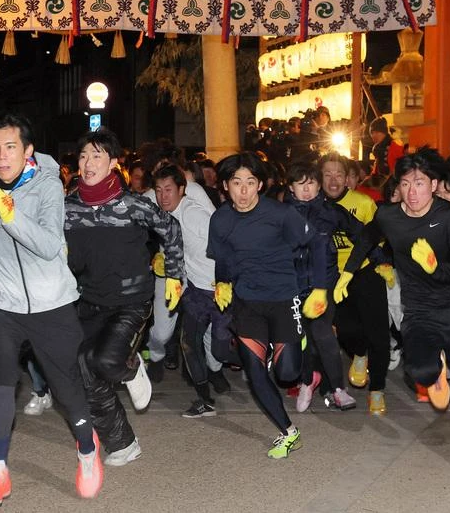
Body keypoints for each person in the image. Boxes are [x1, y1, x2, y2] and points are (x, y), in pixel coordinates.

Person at [0, 114, 103, 503]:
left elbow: (48, 245)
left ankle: (87, 447)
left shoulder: (48, 186)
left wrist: (12, 217)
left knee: (66, 388)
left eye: (10, 147)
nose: (1, 155)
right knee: (2, 374)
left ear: (28, 150)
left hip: (52, 303)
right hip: (1, 302)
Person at [338, 147, 450, 479]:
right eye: (406, 184)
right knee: (419, 372)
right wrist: (348, 273)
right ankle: (436, 370)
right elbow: (365, 239)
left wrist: (436, 267)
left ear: (434, 184)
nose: (412, 192)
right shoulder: (389, 216)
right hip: (419, 310)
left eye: (420, 183)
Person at [65, 128, 184, 467]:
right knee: (82, 366)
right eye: (84, 156)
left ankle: (130, 368)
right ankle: (123, 443)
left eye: (97, 156)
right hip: (88, 299)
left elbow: (171, 230)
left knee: (105, 361)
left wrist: (175, 275)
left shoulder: (132, 204)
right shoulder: (68, 207)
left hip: (131, 299)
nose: (89, 163)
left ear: (113, 162)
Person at [208, 151, 311, 458]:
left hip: (284, 297)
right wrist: (223, 283)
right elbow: (222, 260)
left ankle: (294, 344)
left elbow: (312, 246)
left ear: (260, 185)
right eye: (236, 182)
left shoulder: (280, 214)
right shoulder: (221, 219)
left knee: (288, 373)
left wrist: (316, 289)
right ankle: (289, 433)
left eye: (250, 182)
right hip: (247, 301)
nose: (243, 190)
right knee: (254, 371)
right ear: (225, 185)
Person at [151, 164, 229, 417]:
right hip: (196, 292)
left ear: (182, 190)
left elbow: (226, 245)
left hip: (220, 291)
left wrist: (227, 282)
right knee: (189, 343)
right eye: (159, 190)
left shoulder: (194, 214)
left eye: (169, 190)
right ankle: (204, 400)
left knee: (220, 351)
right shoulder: (164, 217)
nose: (163, 196)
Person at [320, 153, 391, 415]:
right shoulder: (316, 205)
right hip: (333, 277)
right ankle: (359, 354)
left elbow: (377, 240)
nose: (333, 179)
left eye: (339, 173)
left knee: (378, 333)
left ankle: (378, 390)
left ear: (349, 177)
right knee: (347, 330)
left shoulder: (362, 203)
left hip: (364, 272)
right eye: (327, 174)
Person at [285, 162, 359, 411]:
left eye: (312, 184)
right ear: (291, 187)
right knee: (302, 339)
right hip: (293, 285)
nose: (306, 190)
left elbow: (361, 234)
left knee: (322, 332)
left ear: (319, 186)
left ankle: (338, 388)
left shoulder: (331, 212)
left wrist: (380, 261)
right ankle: (307, 381)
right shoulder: (281, 214)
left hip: (323, 283)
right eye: (301, 184)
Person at [369, 117, 404, 183]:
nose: (373, 135)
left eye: (377, 132)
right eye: (372, 133)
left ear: (384, 132)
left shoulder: (396, 147)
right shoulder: (378, 150)